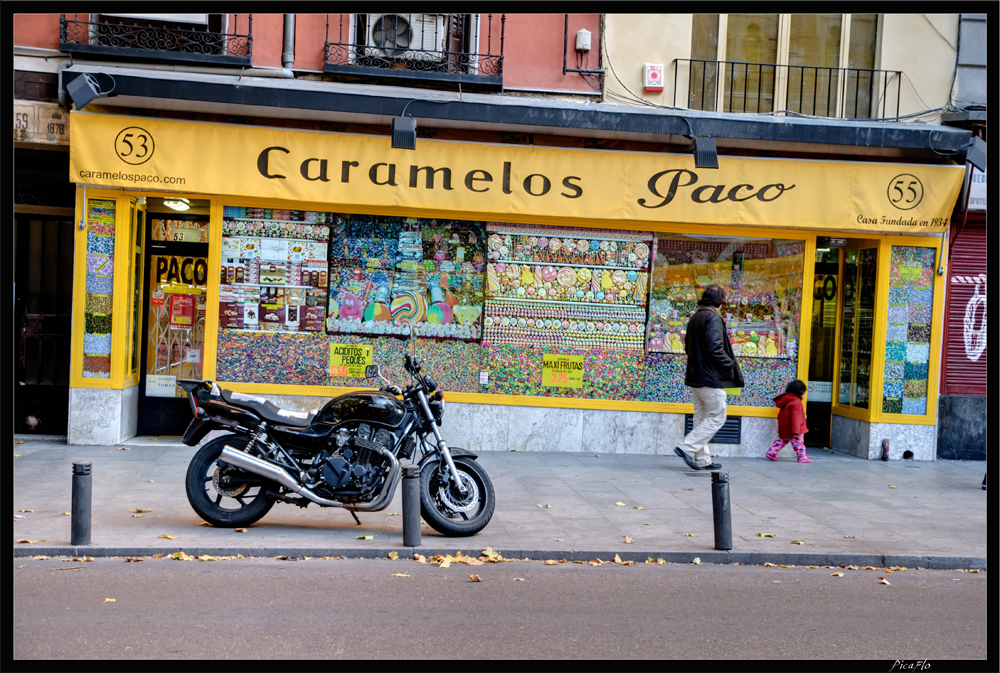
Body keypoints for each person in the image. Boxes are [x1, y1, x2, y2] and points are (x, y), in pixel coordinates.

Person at [674, 284, 744, 471]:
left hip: (695, 375)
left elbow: (687, 346)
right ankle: (686, 448)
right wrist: (730, 364)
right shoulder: (713, 318)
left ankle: (702, 460)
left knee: (701, 417)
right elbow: (715, 349)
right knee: (717, 417)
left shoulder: (696, 317)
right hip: (710, 377)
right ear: (719, 301)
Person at [767, 380, 811, 463]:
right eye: (804, 392)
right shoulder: (796, 402)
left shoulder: (787, 400)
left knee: (782, 441)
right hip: (793, 429)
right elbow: (796, 418)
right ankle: (802, 457)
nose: (804, 395)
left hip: (786, 427)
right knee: (799, 443)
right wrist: (796, 431)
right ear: (800, 392)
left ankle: (771, 452)